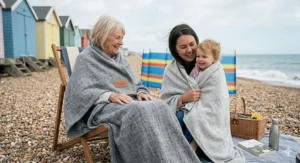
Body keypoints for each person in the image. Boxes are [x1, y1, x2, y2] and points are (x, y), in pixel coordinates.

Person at [64, 16, 201, 163]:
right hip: (101, 107)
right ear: (103, 35)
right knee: (138, 111)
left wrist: (141, 92)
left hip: (128, 101)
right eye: (117, 38)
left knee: (161, 105)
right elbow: (78, 92)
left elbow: (136, 83)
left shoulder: (120, 58)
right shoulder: (85, 59)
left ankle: (176, 157)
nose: (121, 42)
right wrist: (108, 95)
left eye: (122, 38)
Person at [160, 24, 245, 163]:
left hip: (207, 116)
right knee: (179, 117)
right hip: (181, 117)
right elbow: (164, 102)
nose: (190, 50)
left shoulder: (213, 66)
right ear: (174, 50)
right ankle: (176, 152)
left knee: (190, 117)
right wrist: (183, 98)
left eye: (192, 44)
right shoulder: (171, 70)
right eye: (183, 47)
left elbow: (217, 102)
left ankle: (192, 149)